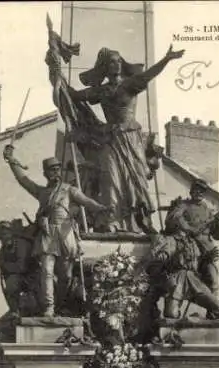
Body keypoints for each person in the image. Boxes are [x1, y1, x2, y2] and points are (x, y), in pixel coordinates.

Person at [68, 44, 185, 233]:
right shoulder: (101, 91)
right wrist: (56, 71)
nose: (116, 65)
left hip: (131, 138)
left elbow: (149, 75)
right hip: (110, 139)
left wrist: (166, 59)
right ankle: (111, 220)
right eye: (112, 62)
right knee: (110, 178)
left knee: (136, 180)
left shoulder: (130, 84)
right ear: (105, 67)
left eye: (118, 61)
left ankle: (140, 221)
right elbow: (74, 96)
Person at [3, 145, 112, 317]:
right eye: (51, 170)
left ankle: (61, 305)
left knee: (65, 277)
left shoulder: (69, 190)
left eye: (57, 169)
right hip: (47, 235)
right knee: (46, 271)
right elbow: (23, 180)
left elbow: (86, 201)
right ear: (45, 173)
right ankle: (48, 308)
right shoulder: (42, 192)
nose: (55, 172)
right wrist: (11, 162)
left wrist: (101, 208)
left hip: (65, 233)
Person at [147, 231, 219, 341]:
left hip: (193, 279)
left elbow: (201, 264)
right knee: (171, 314)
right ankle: (179, 331)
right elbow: (154, 265)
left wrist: (209, 259)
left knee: (215, 304)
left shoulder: (195, 241)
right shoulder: (170, 241)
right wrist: (166, 277)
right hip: (178, 279)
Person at [164, 178, 219, 299]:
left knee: (213, 280)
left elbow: (217, 235)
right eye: (197, 191)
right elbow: (172, 220)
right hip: (189, 249)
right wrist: (189, 229)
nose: (199, 193)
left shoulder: (208, 210)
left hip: (207, 251)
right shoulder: (184, 206)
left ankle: (213, 312)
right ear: (191, 192)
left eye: (202, 191)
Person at [0, 219, 36, 315]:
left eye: (6, 234)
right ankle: (14, 309)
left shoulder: (21, 244)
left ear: (11, 234)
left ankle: (17, 310)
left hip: (33, 278)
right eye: (2, 236)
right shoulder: (3, 250)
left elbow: (21, 267)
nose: (4, 238)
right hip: (21, 278)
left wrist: (4, 264)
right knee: (10, 284)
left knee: (12, 283)